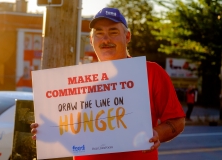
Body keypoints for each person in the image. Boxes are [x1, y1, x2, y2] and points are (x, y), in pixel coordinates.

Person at [30, 7, 185, 160]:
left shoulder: (151, 72)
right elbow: (77, 134)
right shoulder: (75, 83)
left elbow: (177, 121)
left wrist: (158, 133)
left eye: (113, 32)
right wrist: (49, 131)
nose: (105, 40)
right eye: (99, 34)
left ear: (128, 36)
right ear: (91, 40)